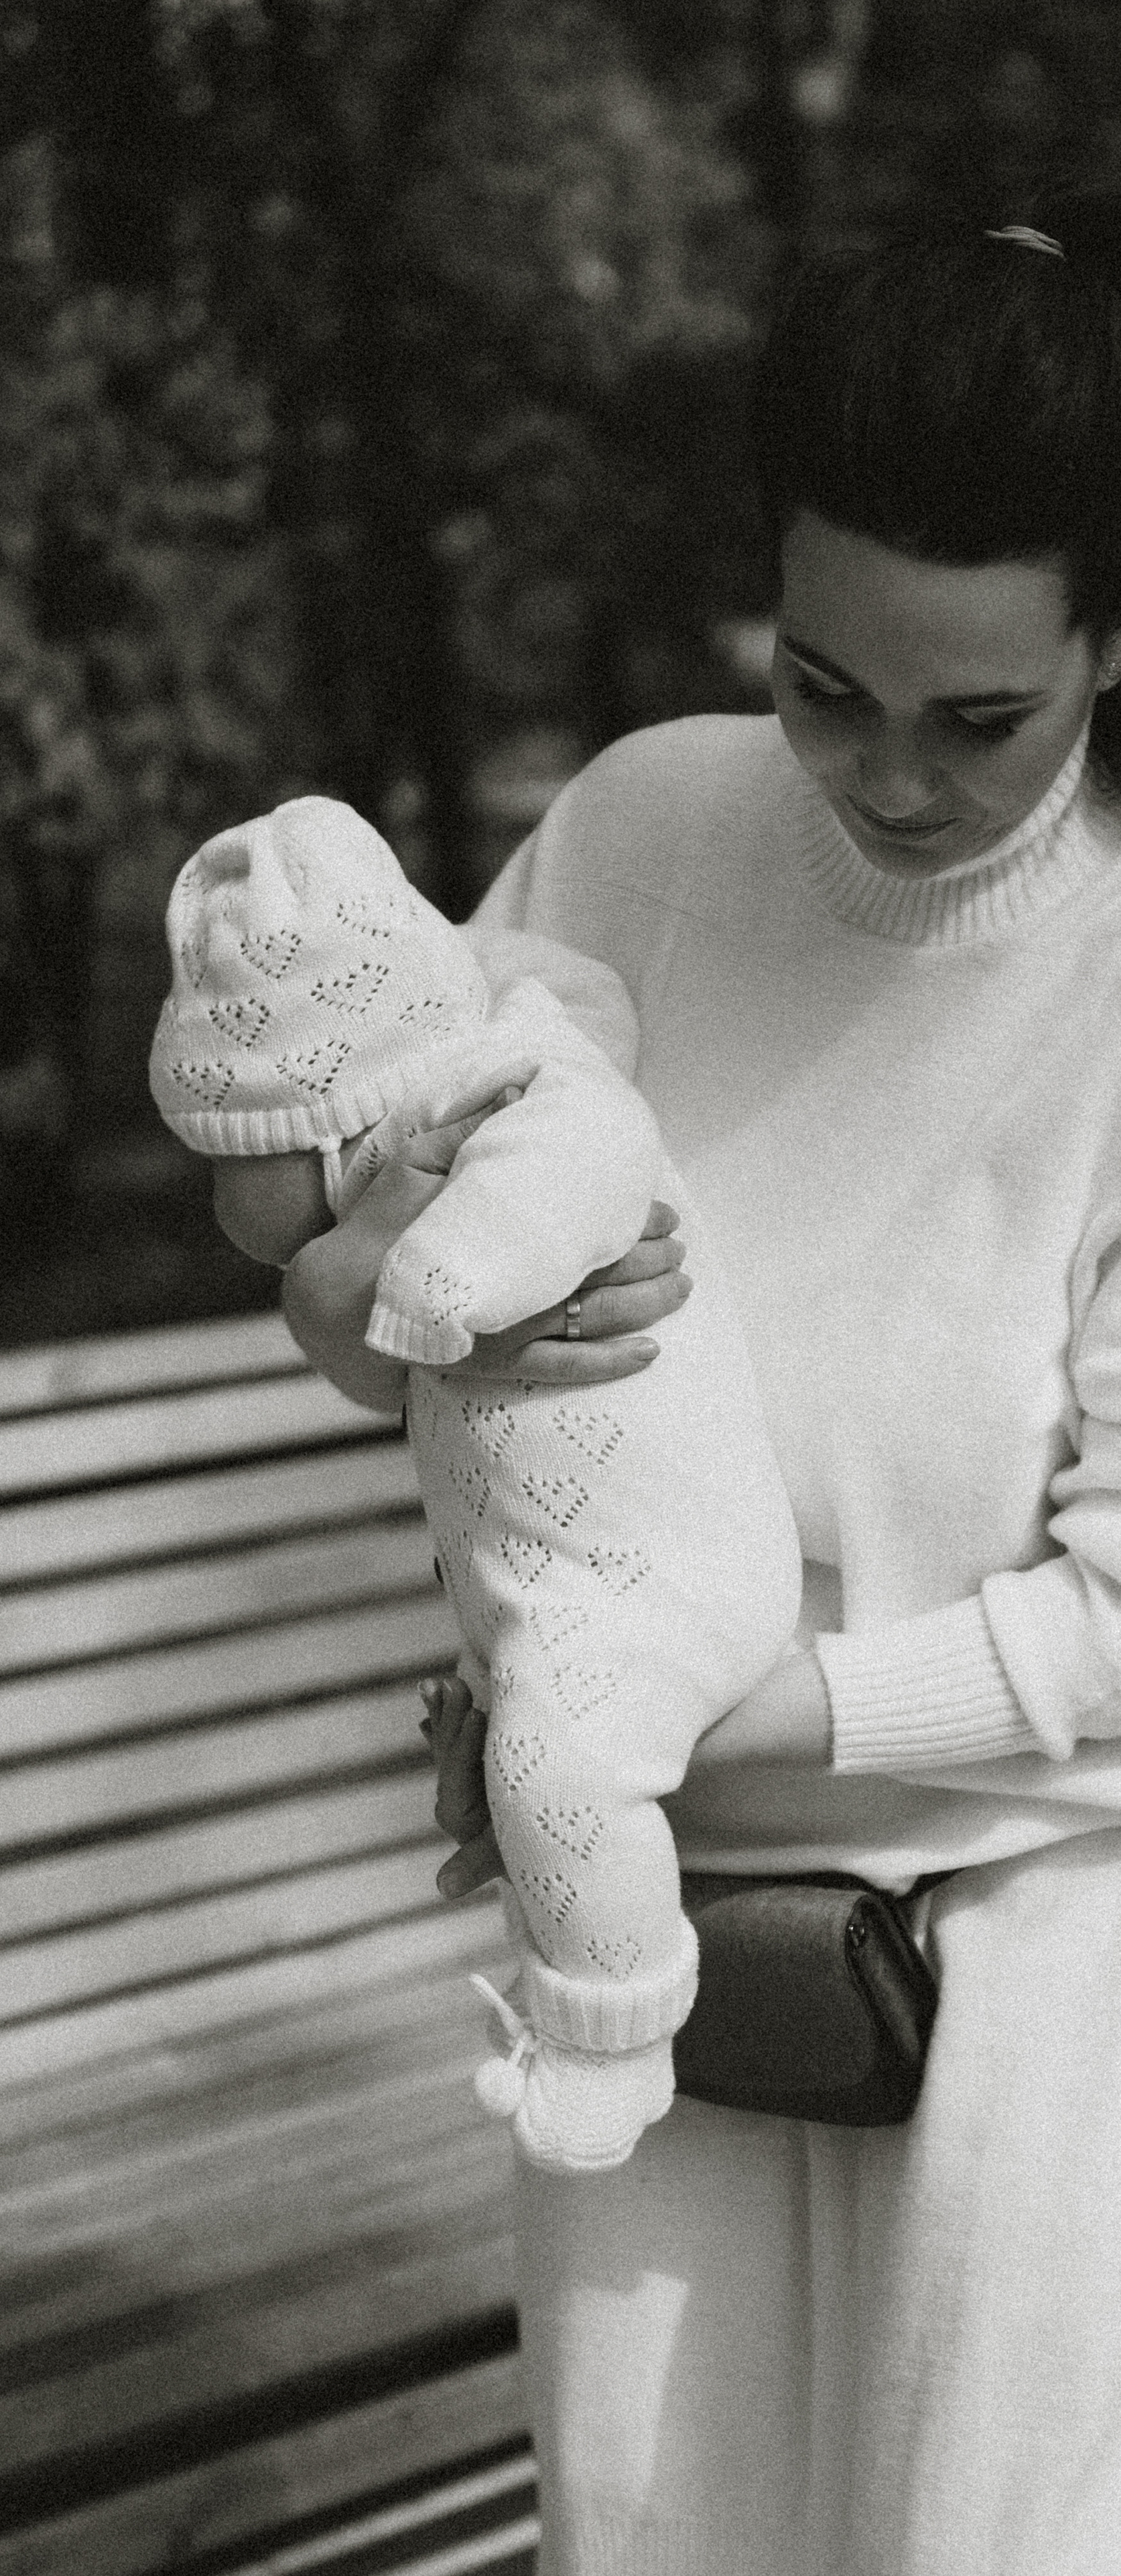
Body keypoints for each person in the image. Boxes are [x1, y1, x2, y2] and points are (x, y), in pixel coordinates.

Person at [284, 184, 1121, 2576]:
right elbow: (343, 1238)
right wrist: (360, 1278)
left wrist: (673, 1712)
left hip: (1041, 1968)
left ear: (1120, 628)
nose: (888, 775)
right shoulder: (647, 830)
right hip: (665, 1951)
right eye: (824, 682)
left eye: (976, 714)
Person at [148, 795, 801, 2170]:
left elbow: (584, 1156)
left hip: (659, 1580)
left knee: (565, 1766)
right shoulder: (429, 1112)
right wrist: (357, 1281)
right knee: (531, 1740)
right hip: (563, 1586)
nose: (232, 1210)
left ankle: (611, 2040)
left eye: (243, 1166)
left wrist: (449, 1277)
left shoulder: (508, 1087)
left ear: (335, 1123)